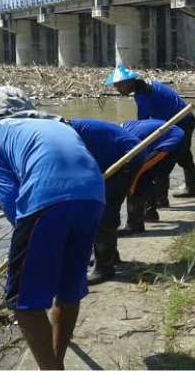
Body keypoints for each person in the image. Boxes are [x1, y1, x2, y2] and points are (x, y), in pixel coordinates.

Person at [0, 86, 105, 370]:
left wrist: (25, 235)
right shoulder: (55, 121)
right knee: (68, 289)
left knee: (24, 302)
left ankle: (51, 372)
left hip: (46, 198)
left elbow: (7, 193)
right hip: (93, 197)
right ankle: (56, 364)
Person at [66, 118, 148, 284]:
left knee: (104, 211)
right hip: (115, 158)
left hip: (127, 158)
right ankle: (110, 256)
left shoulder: (68, 134)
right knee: (101, 207)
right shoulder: (68, 130)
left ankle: (104, 268)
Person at [106, 65, 195, 199]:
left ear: (128, 83)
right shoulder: (147, 86)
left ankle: (163, 198)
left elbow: (143, 122)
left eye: (119, 86)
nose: (117, 89)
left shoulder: (143, 94)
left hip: (181, 122)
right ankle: (187, 189)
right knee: (181, 156)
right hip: (178, 121)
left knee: (167, 159)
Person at [121, 119, 186, 226]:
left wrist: (133, 182)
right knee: (146, 176)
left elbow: (140, 167)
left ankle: (134, 225)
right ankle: (150, 213)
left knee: (138, 178)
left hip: (171, 142)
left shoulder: (126, 139)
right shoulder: (125, 128)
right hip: (171, 135)